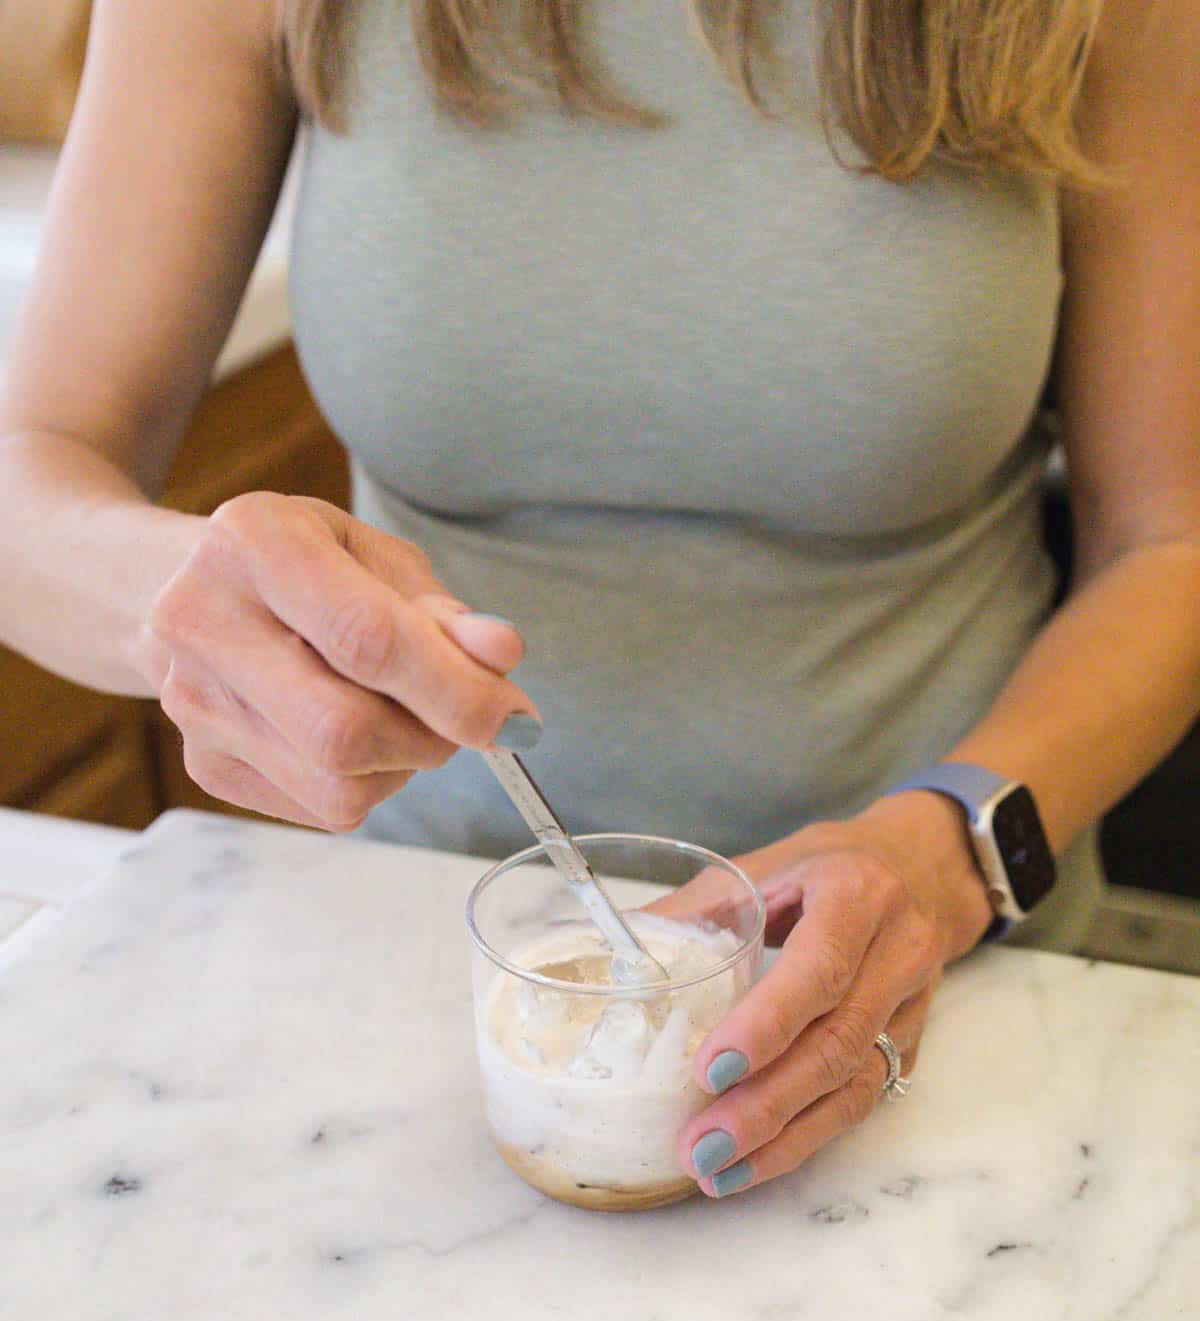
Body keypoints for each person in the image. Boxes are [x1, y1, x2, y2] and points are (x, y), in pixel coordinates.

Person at [1, 0, 1197, 1200]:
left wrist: (945, 855)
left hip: (945, 988)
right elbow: (31, 473)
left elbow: (1167, 542)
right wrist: (191, 601)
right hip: (414, 971)